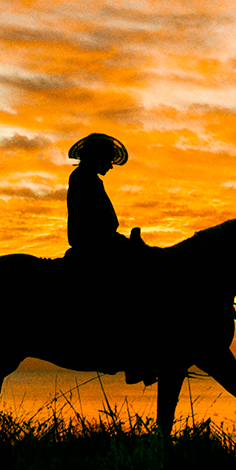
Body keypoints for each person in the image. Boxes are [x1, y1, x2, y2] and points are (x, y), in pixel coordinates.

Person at [64, 132, 154, 384]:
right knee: (132, 288)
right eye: (107, 158)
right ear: (96, 157)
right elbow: (94, 223)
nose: (111, 165)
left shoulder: (85, 178)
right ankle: (132, 357)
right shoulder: (85, 179)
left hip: (98, 242)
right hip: (94, 246)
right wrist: (119, 241)